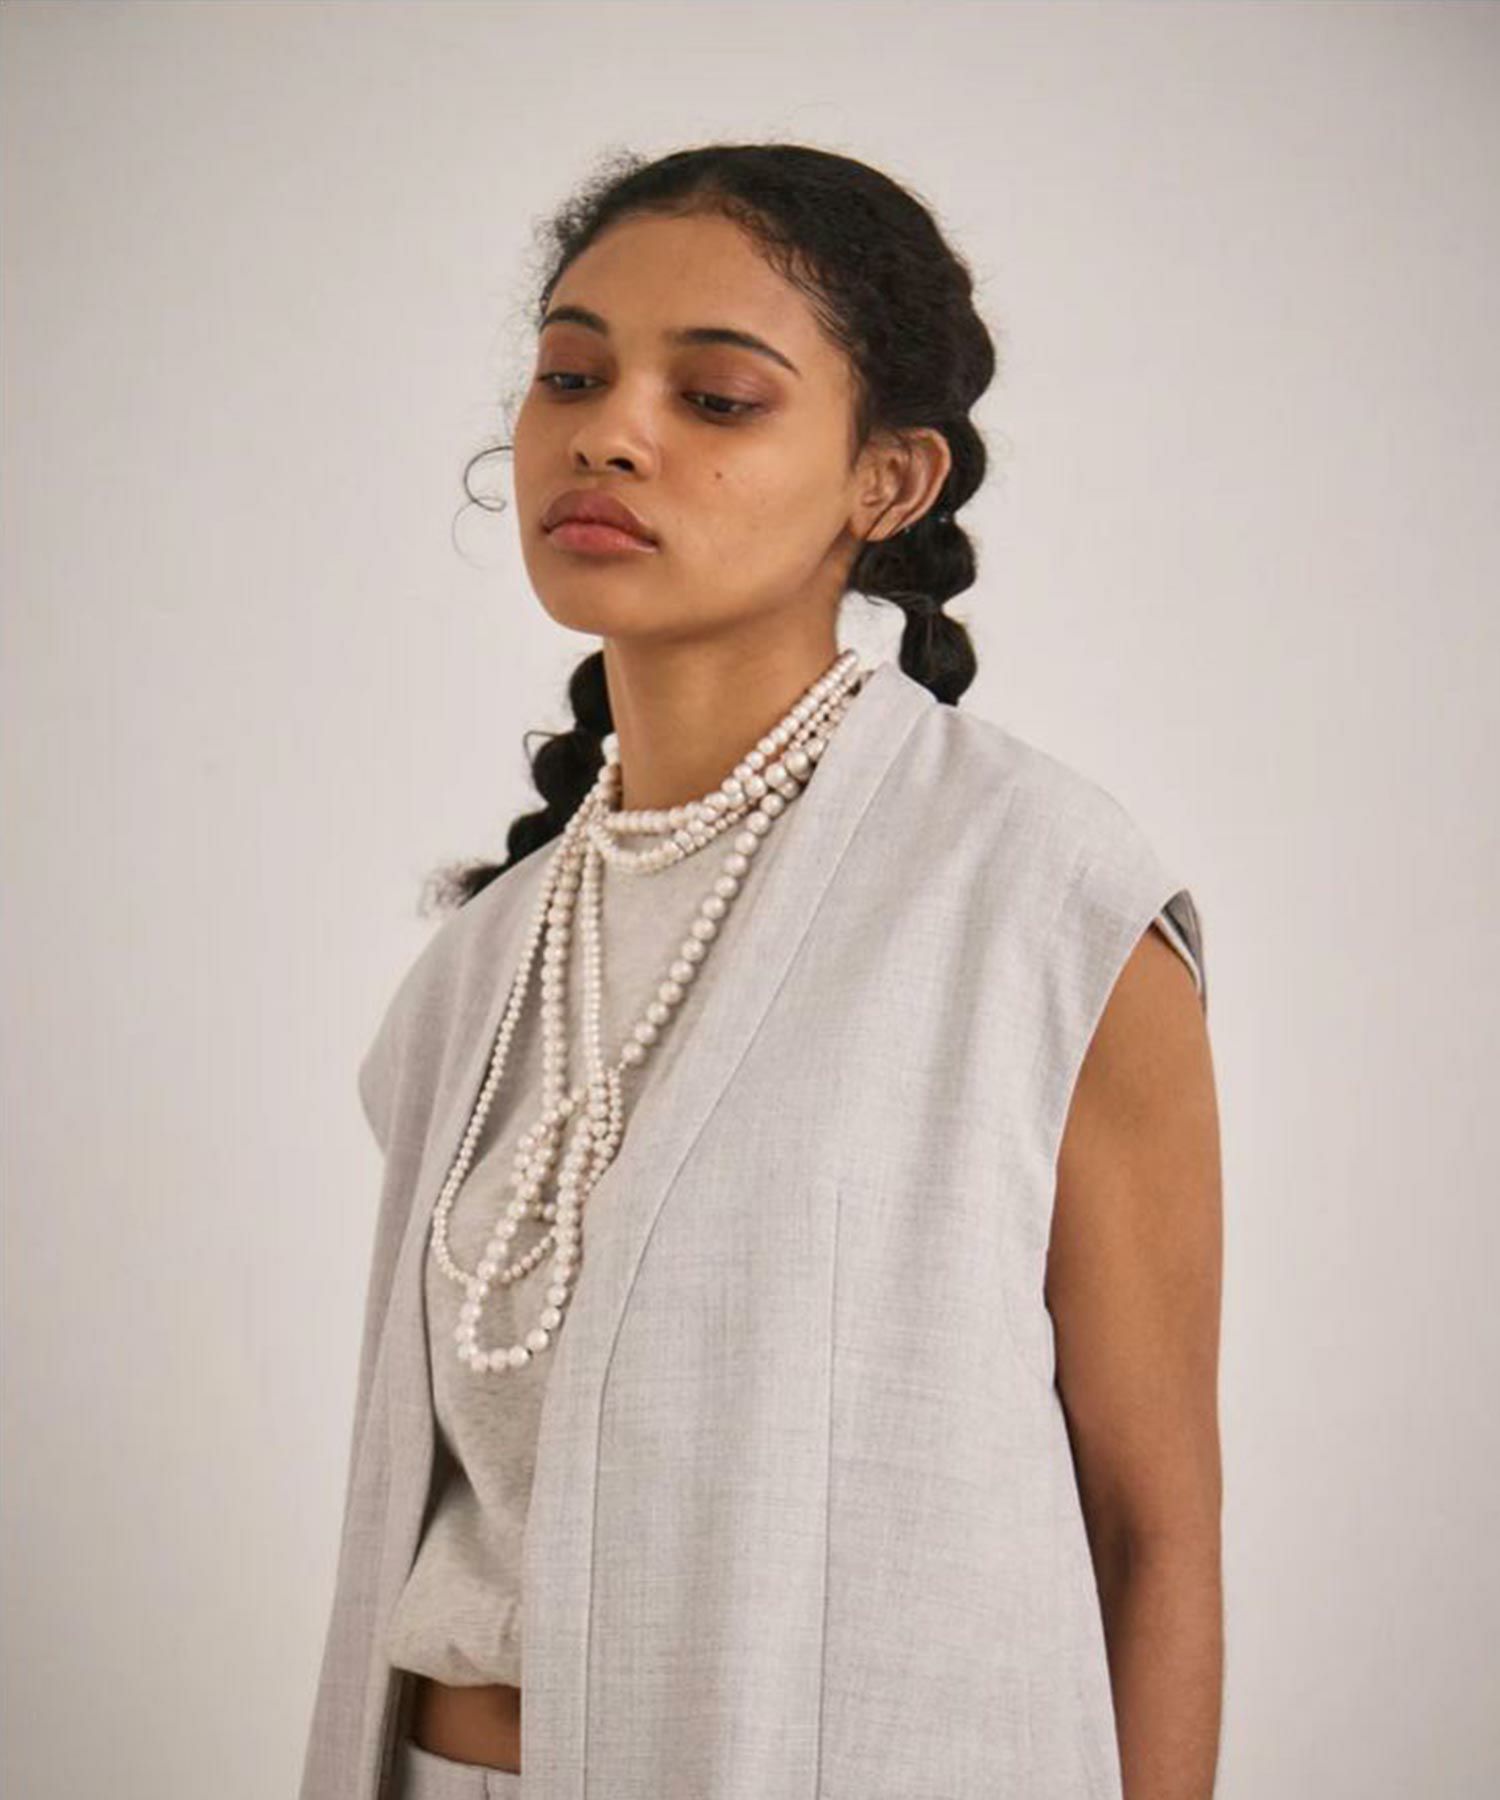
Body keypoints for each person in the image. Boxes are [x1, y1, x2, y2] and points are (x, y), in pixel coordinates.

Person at [301, 143, 1223, 1800]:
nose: (609, 432)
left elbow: (1151, 1534)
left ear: (888, 481)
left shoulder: (1041, 903)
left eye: (716, 397)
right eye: (571, 374)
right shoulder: (482, 970)